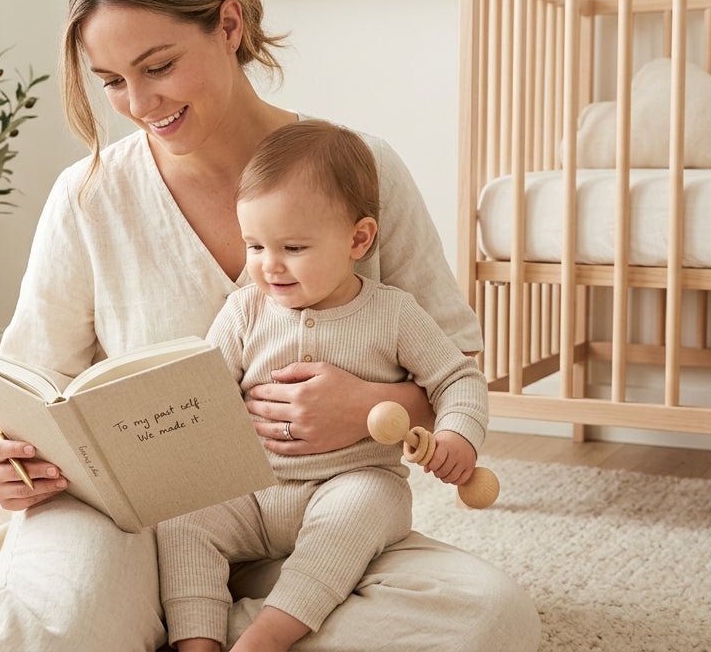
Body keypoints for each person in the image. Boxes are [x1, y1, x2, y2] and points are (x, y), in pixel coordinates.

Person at [0, 0, 536, 651]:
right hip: (137, 516)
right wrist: (12, 460)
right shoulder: (88, 197)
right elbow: (31, 382)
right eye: (111, 81)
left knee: (489, 621)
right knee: (35, 639)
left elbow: (456, 361)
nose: (140, 106)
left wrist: (373, 404)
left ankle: (180, 626)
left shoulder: (359, 168)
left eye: (158, 66)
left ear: (228, 24)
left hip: (322, 511)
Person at [157, 119, 490, 652]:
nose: (269, 267)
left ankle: (270, 634)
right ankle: (197, 639)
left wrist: (458, 438)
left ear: (358, 239)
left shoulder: (393, 313)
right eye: (255, 246)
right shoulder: (243, 311)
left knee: (357, 512)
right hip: (254, 493)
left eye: (292, 247)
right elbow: (202, 391)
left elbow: (459, 379)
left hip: (350, 482)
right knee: (182, 518)